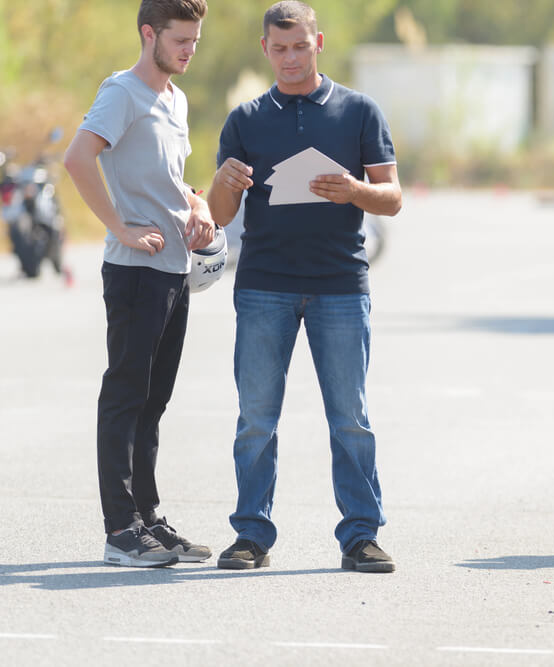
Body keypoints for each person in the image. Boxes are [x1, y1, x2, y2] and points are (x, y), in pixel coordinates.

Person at [207, 1, 402, 572]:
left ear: (319, 44)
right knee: (256, 419)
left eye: (300, 46)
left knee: (350, 419)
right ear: (265, 49)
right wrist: (223, 182)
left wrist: (354, 191)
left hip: (341, 282)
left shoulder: (359, 111)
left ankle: (360, 535)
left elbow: (392, 198)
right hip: (264, 284)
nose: (290, 58)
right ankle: (251, 535)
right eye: (279, 47)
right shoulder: (244, 119)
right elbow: (219, 215)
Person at [63, 0, 214, 566]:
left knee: (154, 402)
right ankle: (120, 530)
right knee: (125, 398)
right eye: (179, 39)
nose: (188, 50)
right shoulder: (122, 92)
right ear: (148, 32)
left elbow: (173, 180)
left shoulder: (175, 100)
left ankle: (148, 519)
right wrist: (119, 227)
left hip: (175, 271)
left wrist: (197, 203)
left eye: (195, 41)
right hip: (133, 273)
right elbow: (79, 158)